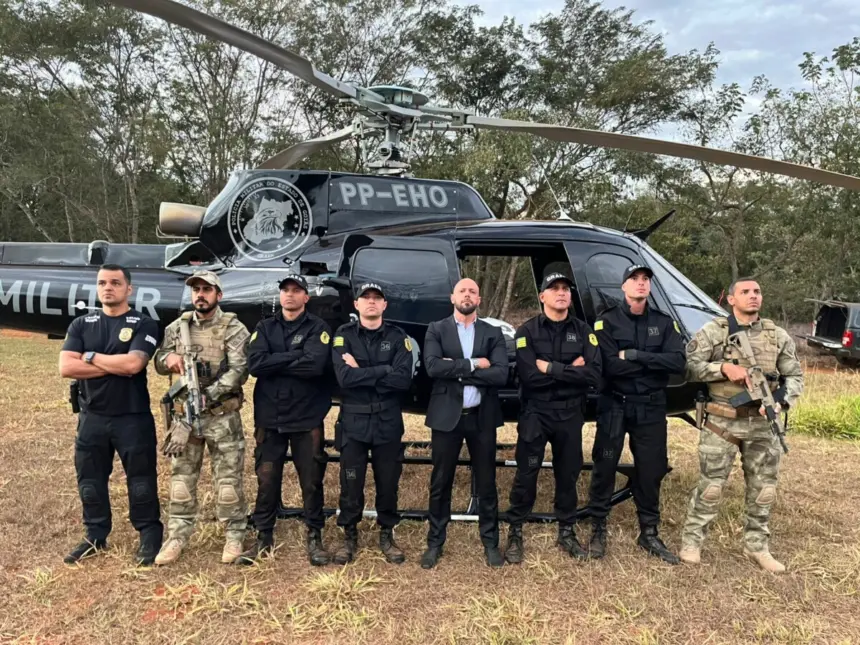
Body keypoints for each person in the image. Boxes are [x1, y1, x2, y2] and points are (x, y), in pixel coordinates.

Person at [679, 278, 803, 573]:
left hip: (762, 422)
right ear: (731, 299)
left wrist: (779, 402)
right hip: (723, 420)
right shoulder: (714, 332)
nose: (752, 296)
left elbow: (794, 376)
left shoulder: (777, 336)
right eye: (745, 292)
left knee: (764, 488)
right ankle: (692, 541)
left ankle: (757, 546)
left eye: (757, 292)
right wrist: (723, 368)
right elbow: (689, 365)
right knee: (710, 486)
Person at [58, 264, 163, 565]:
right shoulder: (81, 324)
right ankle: (95, 535)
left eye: (116, 283)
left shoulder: (143, 323)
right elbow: (66, 367)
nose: (108, 288)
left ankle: (148, 533)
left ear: (128, 289)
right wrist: (111, 364)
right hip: (92, 417)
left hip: (132, 417)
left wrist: (89, 357)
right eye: (102, 282)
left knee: (141, 481)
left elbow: (133, 366)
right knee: (89, 481)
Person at [585, 264, 686, 564]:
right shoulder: (606, 323)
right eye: (634, 279)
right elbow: (608, 367)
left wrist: (635, 355)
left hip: (651, 406)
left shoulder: (665, 323)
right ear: (624, 286)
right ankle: (598, 527)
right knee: (604, 464)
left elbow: (678, 363)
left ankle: (649, 531)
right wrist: (654, 363)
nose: (641, 284)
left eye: (645, 280)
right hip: (614, 404)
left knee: (651, 468)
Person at [152, 270, 251, 566]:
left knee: (229, 481)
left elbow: (239, 369)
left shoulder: (233, 328)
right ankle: (177, 536)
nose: (200, 294)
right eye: (196, 289)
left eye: (207, 289)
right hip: (185, 418)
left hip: (222, 416)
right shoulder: (176, 327)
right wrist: (167, 360)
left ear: (218, 295)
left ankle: (234, 535)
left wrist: (211, 393)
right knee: (181, 480)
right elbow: (159, 359)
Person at [503, 273, 602, 563]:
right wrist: (572, 370)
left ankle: (567, 529)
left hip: (570, 414)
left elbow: (594, 375)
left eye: (565, 289)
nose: (561, 293)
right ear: (542, 297)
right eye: (554, 289)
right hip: (536, 413)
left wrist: (551, 369)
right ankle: (516, 529)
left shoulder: (584, 332)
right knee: (527, 472)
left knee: (568, 472)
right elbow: (529, 377)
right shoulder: (526, 332)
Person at [238, 274, 333, 566]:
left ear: (306, 297)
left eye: (296, 291)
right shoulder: (265, 327)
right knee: (266, 478)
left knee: (312, 480)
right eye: (285, 291)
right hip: (270, 417)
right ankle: (264, 534)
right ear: (280, 296)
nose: (290, 295)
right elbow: (255, 365)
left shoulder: (319, 327)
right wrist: (294, 355)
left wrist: (276, 360)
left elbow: (315, 365)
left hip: (307, 416)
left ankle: (315, 534)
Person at [420, 278, 509, 569]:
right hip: (447, 418)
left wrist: (454, 368)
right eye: (462, 291)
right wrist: (473, 364)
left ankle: (490, 542)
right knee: (440, 481)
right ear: (452, 297)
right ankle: (435, 542)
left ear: (479, 300)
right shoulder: (437, 329)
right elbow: (433, 367)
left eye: (472, 291)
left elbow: (500, 375)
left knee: (487, 482)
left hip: (482, 419)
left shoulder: (492, 332)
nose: (467, 295)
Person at [330, 283, 415, 565]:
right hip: (354, 421)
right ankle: (349, 534)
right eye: (365, 298)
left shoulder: (397, 337)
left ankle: (387, 533)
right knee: (351, 481)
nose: (371, 302)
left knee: (388, 482)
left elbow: (403, 380)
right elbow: (344, 379)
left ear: (384, 305)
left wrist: (362, 371)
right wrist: (384, 370)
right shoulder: (343, 336)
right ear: (356, 304)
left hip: (387, 421)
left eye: (376, 298)